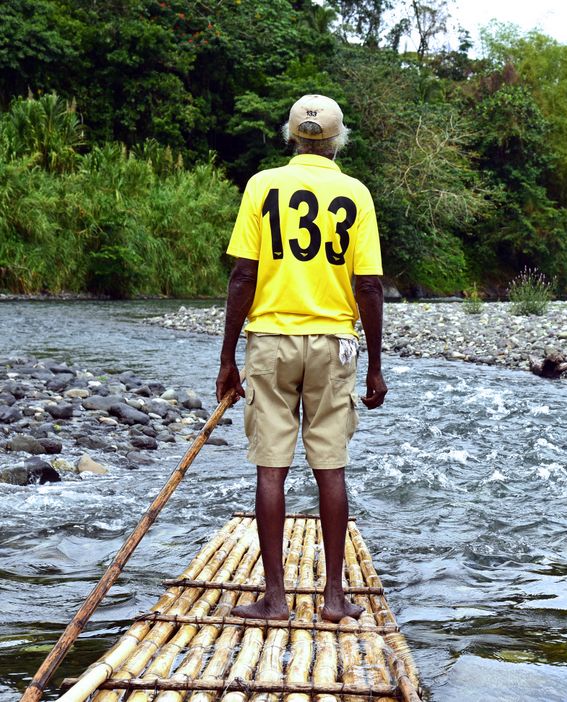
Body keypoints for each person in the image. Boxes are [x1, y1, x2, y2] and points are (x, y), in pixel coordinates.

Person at [215, 94, 387, 622]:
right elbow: (370, 285)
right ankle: (334, 599)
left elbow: (243, 275)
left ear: (291, 135)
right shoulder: (356, 193)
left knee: (272, 468)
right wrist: (376, 366)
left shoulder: (262, 185)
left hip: (270, 339)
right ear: (337, 140)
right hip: (335, 342)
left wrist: (227, 357)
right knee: (329, 466)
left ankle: (275, 598)